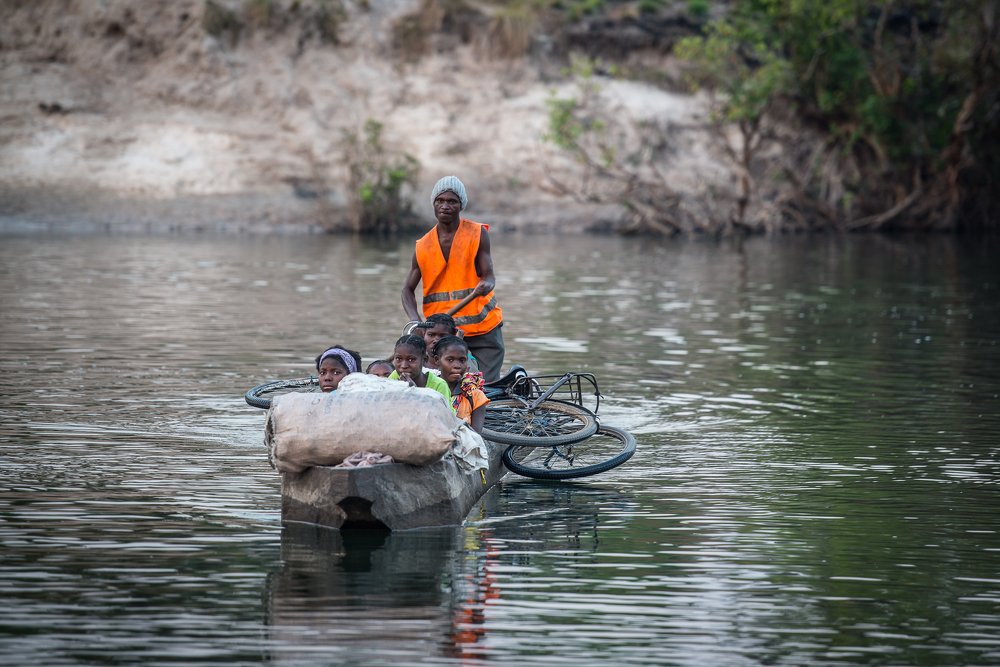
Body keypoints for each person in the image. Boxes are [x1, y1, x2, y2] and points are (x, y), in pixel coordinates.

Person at [401, 175, 504, 382]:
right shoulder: (422, 245)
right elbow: (407, 290)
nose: (445, 206)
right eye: (440, 201)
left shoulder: (477, 234)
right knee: (438, 382)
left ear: (461, 205)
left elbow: (489, 276)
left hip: (481, 329)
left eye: (452, 201)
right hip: (441, 333)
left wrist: (487, 284)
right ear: (433, 204)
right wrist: (416, 322)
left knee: (485, 385)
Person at [434, 335, 489, 434]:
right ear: (437, 360)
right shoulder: (429, 390)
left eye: (462, 360)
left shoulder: (475, 396)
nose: (457, 366)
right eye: (450, 360)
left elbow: (475, 435)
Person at [387, 334, 452, 406]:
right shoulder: (394, 377)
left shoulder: (439, 385)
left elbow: (443, 415)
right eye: (398, 359)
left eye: (411, 359)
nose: (403, 366)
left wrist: (415, 392)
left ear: (425, 359)